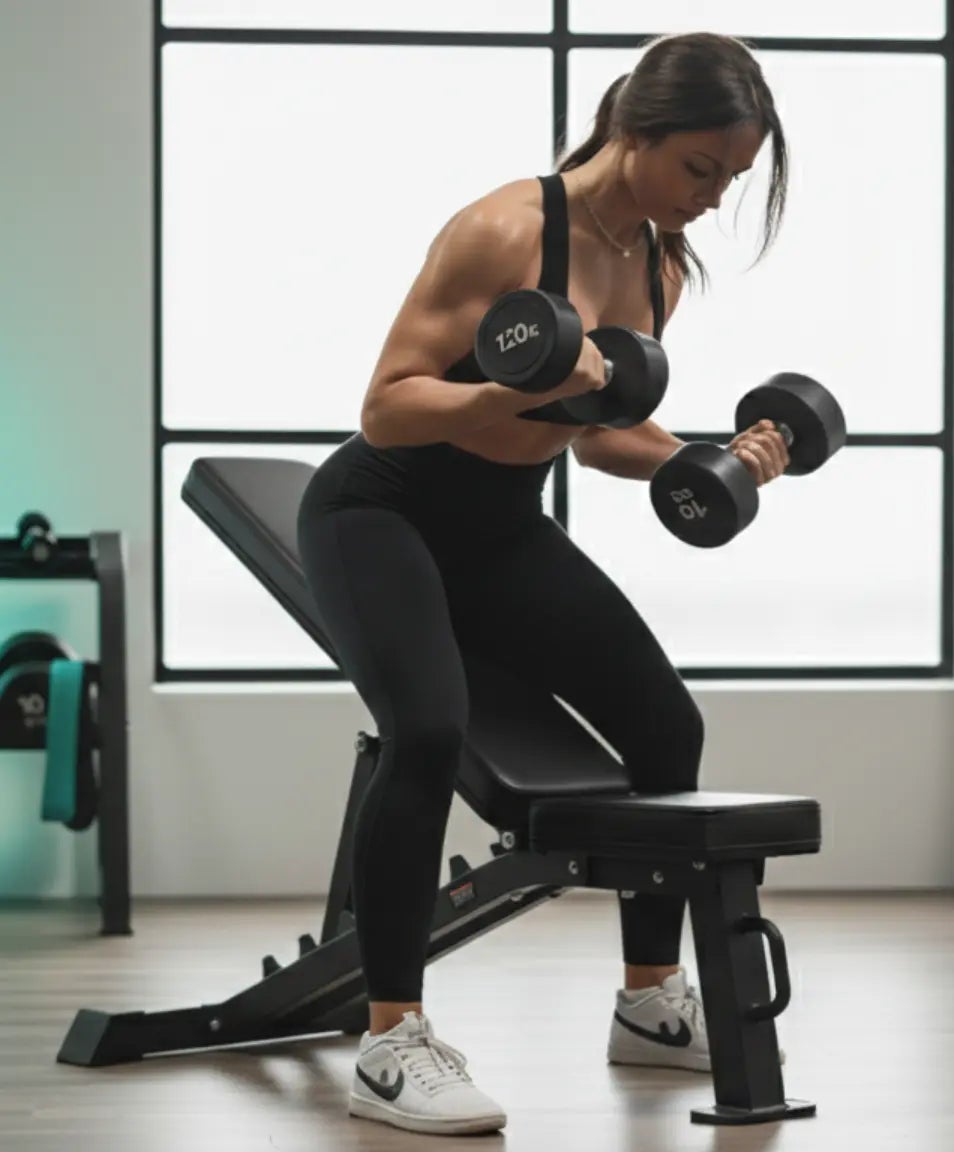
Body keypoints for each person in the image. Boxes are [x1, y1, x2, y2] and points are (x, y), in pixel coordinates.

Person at [294, 32, 791, 1138]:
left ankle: (650, 1002)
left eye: (731, 179)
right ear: (638, 129)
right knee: (427, 731)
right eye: (701, 167)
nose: (712, 199)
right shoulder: (505, 229)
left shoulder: (659, 265)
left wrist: (712, 460)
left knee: (666, 725)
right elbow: (389, 404)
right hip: (382, 509)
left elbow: (601, 432)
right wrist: (506, 393)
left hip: (503, 527)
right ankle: (391, 1041)